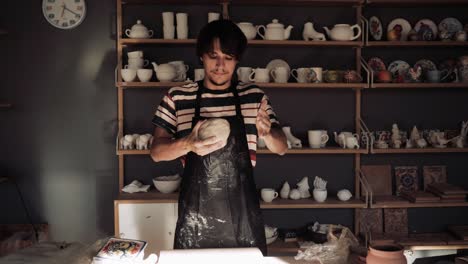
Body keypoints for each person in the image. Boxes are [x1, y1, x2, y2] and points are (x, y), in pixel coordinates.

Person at [150, 19, 288, 256]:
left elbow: (281, 147)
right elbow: (156, 152)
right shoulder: (178, 96)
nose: (220, 65)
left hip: (242, 213)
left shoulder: (253, 97)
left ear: (237, 60)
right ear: (201, 56)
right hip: (195, 214)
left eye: (229, 57)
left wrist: (267, 133)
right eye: (213, 56)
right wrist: (187, 144)